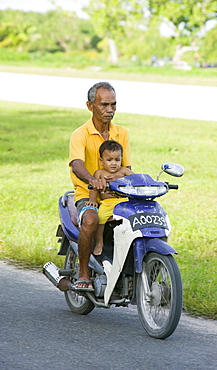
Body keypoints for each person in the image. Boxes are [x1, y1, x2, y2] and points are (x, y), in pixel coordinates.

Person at [69, 81, 131, 291]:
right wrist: (92, 181)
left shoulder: (122, 133)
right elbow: (77, 164)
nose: (110, 110)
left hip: (117, 195)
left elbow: (127, 167)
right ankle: (84, 273)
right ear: (90, 106)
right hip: (87, 194)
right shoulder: (80, 134)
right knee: (90, 219)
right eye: (104, 105)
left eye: (113, 105)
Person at [85, 140, 133, 256]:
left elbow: (136, 180)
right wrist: (92, 200)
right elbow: (93, 188)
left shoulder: (124, 171)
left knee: (132, 218)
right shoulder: (99, 173)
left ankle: (131, 242)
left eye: (117, 160)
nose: (114, 163)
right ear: (101, 161)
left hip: (124, 201)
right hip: (107, 202)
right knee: (100, 218)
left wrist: (124, 180)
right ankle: (100, 243)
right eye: (109, 160)